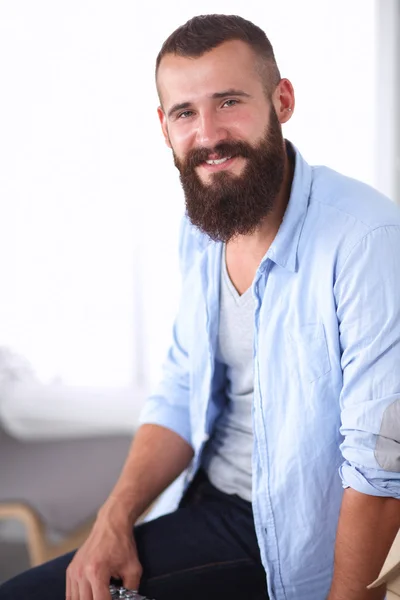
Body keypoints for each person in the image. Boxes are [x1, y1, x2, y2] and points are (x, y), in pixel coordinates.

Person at [1, 13, 400, 600]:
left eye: (230, 101)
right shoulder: (205, 226)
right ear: (164, 127)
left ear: (282, 100)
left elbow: (381, 465)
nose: (209, 134)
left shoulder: (366, 239)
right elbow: (179, 390)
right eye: (186, 112)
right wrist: (115, 517)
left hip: (292, 539)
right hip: (206, 504)